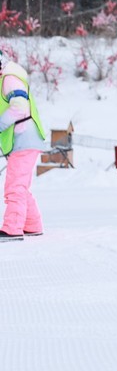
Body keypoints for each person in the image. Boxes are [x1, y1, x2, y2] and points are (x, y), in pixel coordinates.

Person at [0, 55, 48, 241]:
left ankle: (12, 228)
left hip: (24, 137)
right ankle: (32, 224)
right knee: (21, 186)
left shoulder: (9, 79)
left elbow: (20, 106)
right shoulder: (5, 80)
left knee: (15, 186)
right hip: (22, 140)